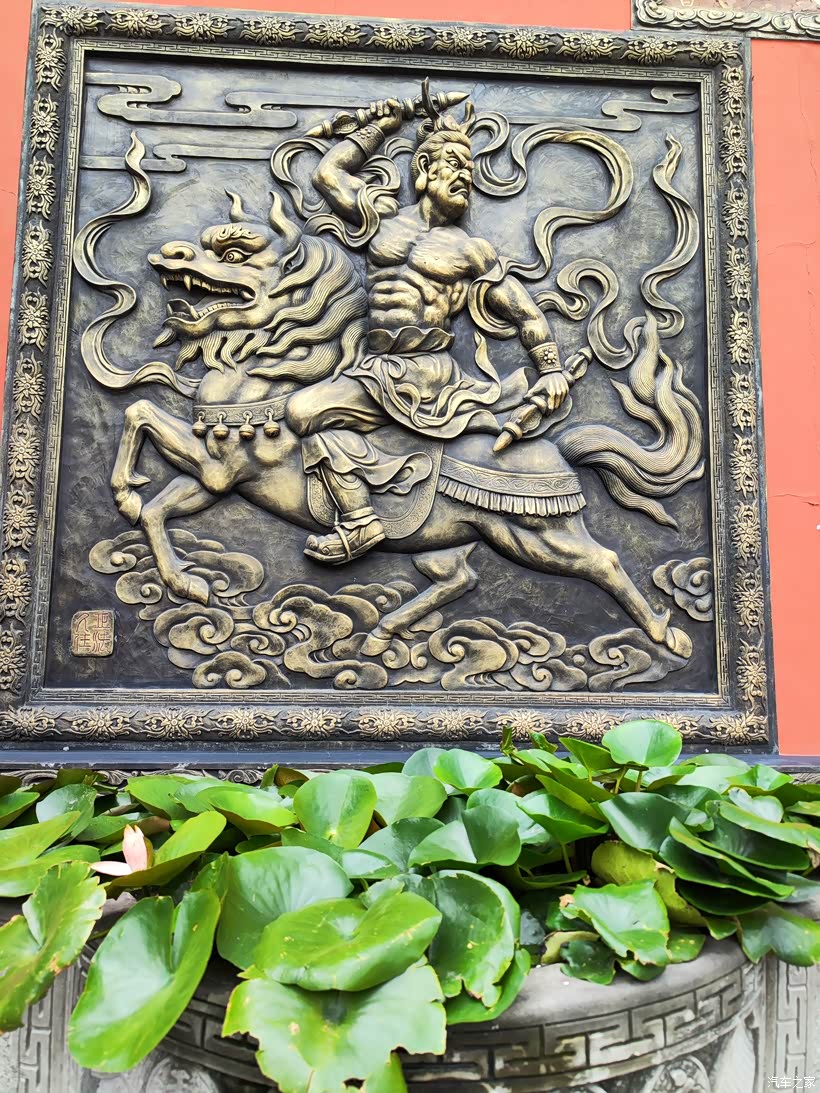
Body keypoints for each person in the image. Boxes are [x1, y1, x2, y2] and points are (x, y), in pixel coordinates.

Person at [285, 92, 569, 564]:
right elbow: (327, 175)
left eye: (470, 172)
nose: (464, 178)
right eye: (454, 165)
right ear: (423, 168)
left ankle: (359, 521)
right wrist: (379, 127)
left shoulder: (470, 250)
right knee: (309, 416)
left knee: (302, 411)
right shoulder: (381, 221)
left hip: (424, 370)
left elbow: (525, 312)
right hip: (376, 365)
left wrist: (552, 369)